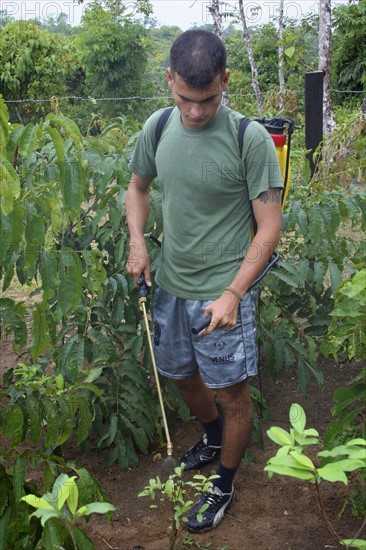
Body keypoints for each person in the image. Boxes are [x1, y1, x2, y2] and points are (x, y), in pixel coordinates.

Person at [126, 29, 283, 533]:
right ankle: (212, 434)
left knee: (234, 393)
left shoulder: (249, 139)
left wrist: (235, 293)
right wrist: (138, 241)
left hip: (223, 290)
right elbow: (137, 187)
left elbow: (270, 228)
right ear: (169, 80)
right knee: (178, 372)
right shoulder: (158, 126)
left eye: (209, 99)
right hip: (171, 282)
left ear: (226, 82)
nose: (195, 112)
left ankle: (224, 481)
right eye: (185, 99)